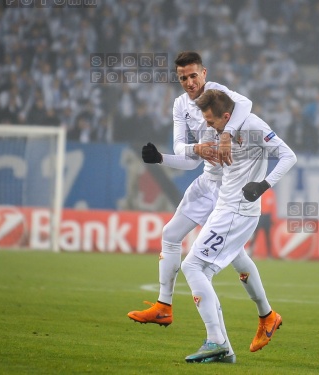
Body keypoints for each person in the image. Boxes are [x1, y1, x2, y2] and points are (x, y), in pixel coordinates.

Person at [127, 52, 276, 362]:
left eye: (193, 76)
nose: (189, 82)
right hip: (207, 185)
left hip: (231, 192)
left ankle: (263, 317)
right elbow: (186, 154)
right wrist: (165, 158)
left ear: (204, 73)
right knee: (171, 234)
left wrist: (227, 137)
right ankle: (164, 307)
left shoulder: (219, 96)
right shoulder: (180, 106)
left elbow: (246, 105)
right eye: (183, 78)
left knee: (228, 258)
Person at [182, 89, 297, 363]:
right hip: (225, 207)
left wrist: (263, 185)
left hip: (237, 210)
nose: (208, 127)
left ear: (225, 116)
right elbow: (194, 157)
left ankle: (217, 341)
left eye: (211, 122)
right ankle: (267, 316)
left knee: (193, 267)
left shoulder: (254, 127)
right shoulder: (218, 132)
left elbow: (288, 156)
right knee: (238, 259)